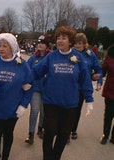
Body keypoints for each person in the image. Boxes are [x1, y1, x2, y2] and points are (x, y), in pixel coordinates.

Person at [33, 26, 94, 160]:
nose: (60, 41)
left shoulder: (77, 58)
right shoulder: (51, 57)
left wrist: (89, 99)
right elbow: (36, 72)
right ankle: (47, 157)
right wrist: (24, 79)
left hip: (70, 103)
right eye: (58, 38)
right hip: (51, 102)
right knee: (49, 131)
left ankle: (55, 157)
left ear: (70, 41)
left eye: (64, 38)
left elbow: (85, 79)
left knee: (64, 133)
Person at [0, 33, 33, 160]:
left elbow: (28, 87)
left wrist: (23, 105)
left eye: (5, 46)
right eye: (0, 46)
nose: (1, 49)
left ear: (12, 47)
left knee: (8, 133)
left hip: (12, 108)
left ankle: (5, 156)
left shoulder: (22, 64)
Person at [70, 33, 102, 140]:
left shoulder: (90, 55)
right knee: (68, 109)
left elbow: (98, 69)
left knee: (76, 110)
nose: (77, 46)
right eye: (75, 43)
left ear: (84, 44)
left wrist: (99, 80)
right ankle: (64, 129)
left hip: (82, 87)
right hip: (70, 86)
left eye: (79, 43)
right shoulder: (70, 53)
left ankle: (73, 130)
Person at [25, 35, 51, 145]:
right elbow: (27, 71)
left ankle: (40, 129)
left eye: (43, 43)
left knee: (43, 111)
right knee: (35, 110)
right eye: (39, 42)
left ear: (47, 45)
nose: (40, 45)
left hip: (47, 89)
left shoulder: (50, 57)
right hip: (35, 88)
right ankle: (31, 134)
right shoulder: (33, 58)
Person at [100, 44, 114, 144]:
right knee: (109, 114)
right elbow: (103, 70)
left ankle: (113, 137)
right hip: (111, 90)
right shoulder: (110, 54)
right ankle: (105, 134)